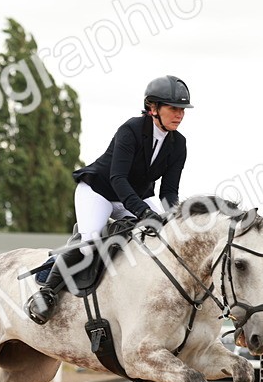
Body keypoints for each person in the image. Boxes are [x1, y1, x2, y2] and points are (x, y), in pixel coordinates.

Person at [27, 75, 192, 324]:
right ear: (153, 108)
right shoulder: (132, 129)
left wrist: (174, 218)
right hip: (99, 191)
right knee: (90, 243)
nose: (179, 115)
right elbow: (117, 178)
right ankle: (47, 293)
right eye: (173, 108)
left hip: (135, 196)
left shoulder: (179, 144)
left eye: (182, 110)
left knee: (161, 239)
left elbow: (169, 191)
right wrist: (143, 212)